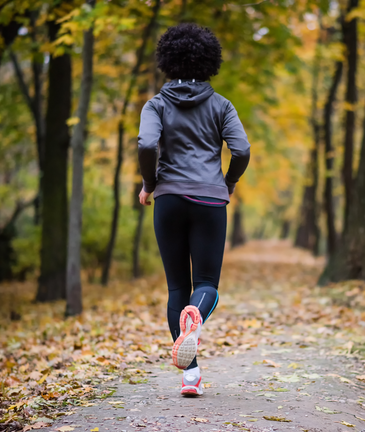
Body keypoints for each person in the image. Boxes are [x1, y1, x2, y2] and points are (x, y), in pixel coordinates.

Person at [137, 23, 250, 397]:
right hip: (209, 201)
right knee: (205, 285)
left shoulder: (155, 104)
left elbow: (146, 144)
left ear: (167, 62)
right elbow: (243, 150)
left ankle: (190, 377)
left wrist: (150, 184)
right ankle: (196, 319)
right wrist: (228, 182)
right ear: (208, 62)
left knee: (176, 288)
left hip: (168, 200)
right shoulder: (222, 105)